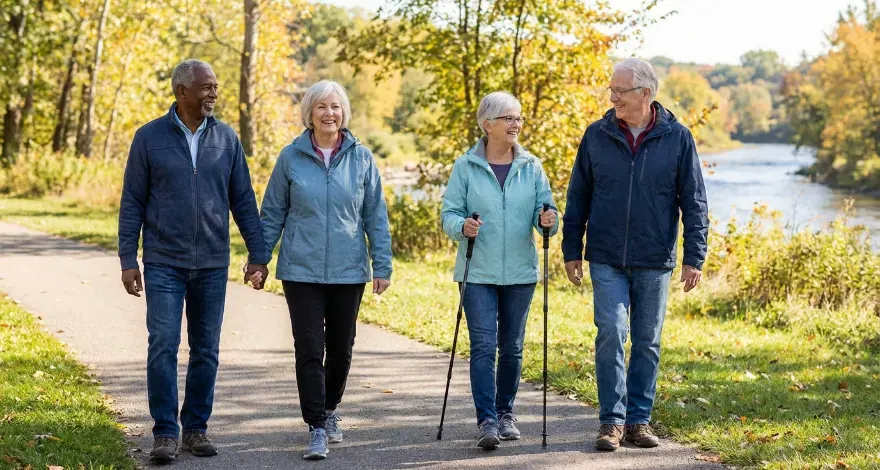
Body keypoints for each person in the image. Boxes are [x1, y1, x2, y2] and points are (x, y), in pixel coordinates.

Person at [117, 59, 269, 464]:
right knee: (163, 346)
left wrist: (258, 254)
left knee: (206, 349)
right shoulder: (149, 138)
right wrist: (127, 257)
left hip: (213, 264)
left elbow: (244, 201)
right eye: (205, 88)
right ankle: (165, 433)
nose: (213, 94)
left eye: (215, 87)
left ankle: (195, 429)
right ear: (181, 91)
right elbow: (132, 200)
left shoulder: (227, 139)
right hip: (164, 261)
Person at [561, 58, 709, 451]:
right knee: (611, 330)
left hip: (654, 256)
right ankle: (611, 420)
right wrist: (571, 248)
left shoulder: (678, 137)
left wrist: (695, 256)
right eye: (610, 90)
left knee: (647, 340)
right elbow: (578, 196)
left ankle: (638, 421)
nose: (612, 97)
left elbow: (694, 201)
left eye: (619, 91)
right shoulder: (596, 135)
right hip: (606, 254)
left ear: (645, 93)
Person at [255, 80, 393, 460]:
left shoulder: (362, 158)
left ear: (343, 112)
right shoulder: (290, 157)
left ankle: (330, 410)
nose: (329, 113)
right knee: (309, 348)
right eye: (321, 107)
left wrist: (382, 264)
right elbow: (272, 214)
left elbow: (375, 216)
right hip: (301, 270)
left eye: (335, 106)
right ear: (309, 114)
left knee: (342, 349)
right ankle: (316, 424)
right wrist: (260, 259)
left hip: (349, 271)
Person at [440, 91, 558, 450]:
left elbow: (548, 217)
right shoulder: (466, 166)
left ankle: (506, 413)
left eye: (519, 118)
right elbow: (448, 215)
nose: (516, 124)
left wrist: (549, 221)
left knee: (512, 347)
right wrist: (462, 227)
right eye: (509, 117)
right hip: (477, 271)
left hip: (520, 274)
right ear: (487, 124)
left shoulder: (532, 166)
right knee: (483, 346)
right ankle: (487, 420)